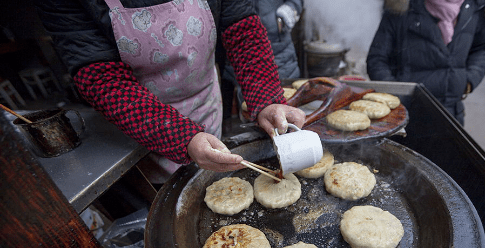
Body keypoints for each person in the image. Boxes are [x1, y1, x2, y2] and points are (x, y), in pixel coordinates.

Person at [34, 0, 306, 176]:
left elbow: (242, 28)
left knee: (215, 178)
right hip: (136, 122)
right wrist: (180, 137)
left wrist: (267, 98)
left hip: (205, 99)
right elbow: (101, 78)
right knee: (164, 204)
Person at [366, 0, 485, 125]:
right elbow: (377, 59)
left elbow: (482, 47)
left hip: (451, 113)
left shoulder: (477, 8)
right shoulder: (403, 7)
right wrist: (395, 94)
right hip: (405, 113)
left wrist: (469, 79)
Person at [221, 0, 303, 123]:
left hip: (279, 49)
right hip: (240, 54)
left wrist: (291, 8)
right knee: (252, 117)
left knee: (285, 115)